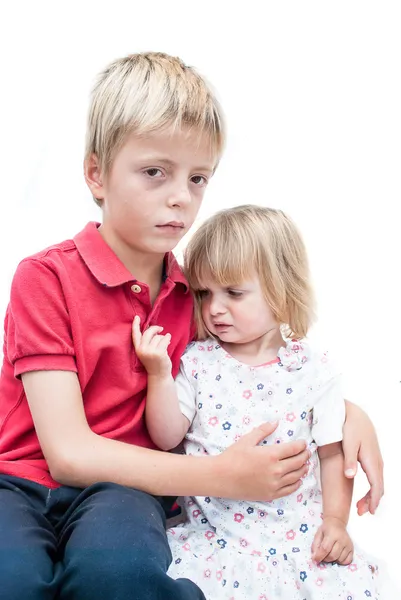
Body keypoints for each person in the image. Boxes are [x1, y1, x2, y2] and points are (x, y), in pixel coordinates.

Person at [0, 53, 382, 600]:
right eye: (155, 172)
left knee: (121, 577)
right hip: (21, 482)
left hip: (127, 491)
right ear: (96, 174)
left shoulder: (195, 294)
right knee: (10, 580)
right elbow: (68, 453)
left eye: (198, 177)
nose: (181, 196)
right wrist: (223, 478)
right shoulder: (45, 278)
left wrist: (346, 412)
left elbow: (255, 368)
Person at [134, 204, 384, 599]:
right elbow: (167, 437)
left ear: (282, 288)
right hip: (216, 542)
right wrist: (158, 375)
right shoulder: (196, 362)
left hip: (298, 542)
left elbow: (333, 454)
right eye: (204, 293)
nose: (214, 308)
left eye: (233, 293)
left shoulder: (314, 370)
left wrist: (336, 521)